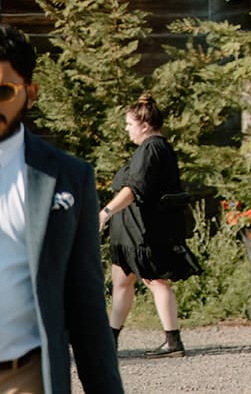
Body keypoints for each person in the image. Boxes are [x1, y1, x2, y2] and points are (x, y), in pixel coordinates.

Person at [0, 23, 123, 394]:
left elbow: (86, 307)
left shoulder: (68, 177)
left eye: (3, 91)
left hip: (27, 379)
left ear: (30, 94)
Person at [101, 93, 198, 359]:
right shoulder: (151, 148)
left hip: (144, 231)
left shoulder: (152, 148)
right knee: (122, 282)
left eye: (129, 124)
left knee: (156, 281)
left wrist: (105, 212)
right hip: (130, 232)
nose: (127, 129)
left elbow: (134, 188)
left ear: (144, 125)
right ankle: (110, 340)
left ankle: (173, 341)